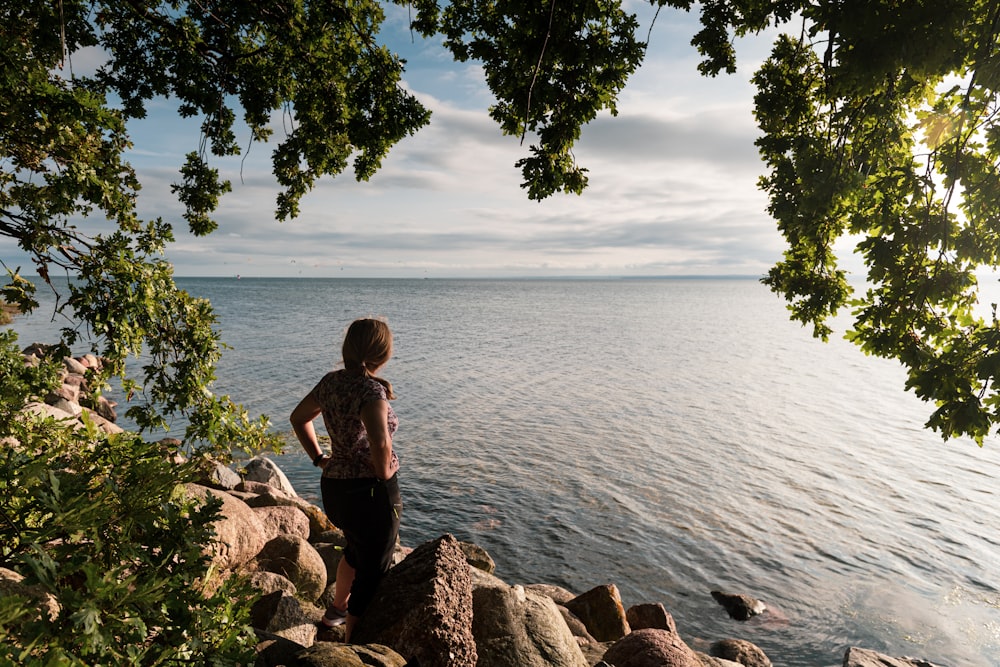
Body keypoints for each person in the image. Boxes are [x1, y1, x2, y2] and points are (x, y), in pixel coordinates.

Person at [289, 318, 402, 641]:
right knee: (374, 570)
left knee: (355, 547)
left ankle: (335, 612)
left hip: (335, 486)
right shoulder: (371, 391)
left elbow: (299, 419)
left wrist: (318, 458)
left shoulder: (330, 383)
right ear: (383, 353)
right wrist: (384, 474)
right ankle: (356, 644)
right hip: (369, 491)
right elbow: (380, 442)